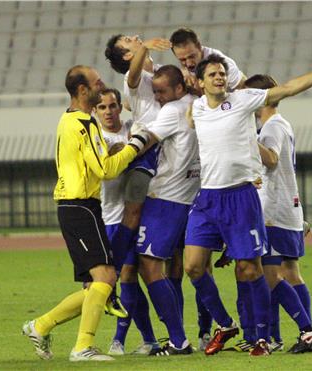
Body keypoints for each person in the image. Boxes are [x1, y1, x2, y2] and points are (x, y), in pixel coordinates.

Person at [184, 44, 312, 357]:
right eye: (213, 74)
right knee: (193, 266)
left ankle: (263, 338)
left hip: (241, 196)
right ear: (201, 82)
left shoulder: (243, 100)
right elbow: (193, 122)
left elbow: (289, 88)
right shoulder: (196, 108)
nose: (220, 77)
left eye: (223, 73)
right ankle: (225, 325)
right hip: (208, 197)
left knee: (254, 271)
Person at [21, 65, 150, 362]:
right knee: (105, 276)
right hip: (80, 206)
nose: (102, 84)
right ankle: (82, 347)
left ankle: (39, 326)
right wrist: (136, 145)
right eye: (96, 82)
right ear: (82, 91)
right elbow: (106, 170)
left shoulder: (69, 120)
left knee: (98, 284)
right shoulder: (83, 124)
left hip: (77, 207)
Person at [105, 34, 210, 348]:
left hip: (172, 174)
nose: (134, 38)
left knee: (174, 264)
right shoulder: (133, 78)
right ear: (126, 57)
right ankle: (175, 336)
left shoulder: (168, 82)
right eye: (128, 43)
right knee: (156, 261)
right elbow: (136, 75)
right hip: (153, 157)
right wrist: (145, 48)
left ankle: (192, 335)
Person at [246, 74, 312, 354]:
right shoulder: (281, 124)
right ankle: (307, 332)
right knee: (291, 272)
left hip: (274, 212)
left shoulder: (271, 128)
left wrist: (243, 137)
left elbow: (272, 158)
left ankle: (306, 329)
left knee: (269, 276)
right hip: (289, 208)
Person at [134, 65, 200, 356]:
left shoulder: (173, 110)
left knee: (147, 265)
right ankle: (185, 334)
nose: (158, 97)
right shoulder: (198, 106)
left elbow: (148, 139)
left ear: (178, 89)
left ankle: (178, 339)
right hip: (188, 198)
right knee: (174, 268)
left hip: (165, 198)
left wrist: (121, 155)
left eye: (162, 91)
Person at [93, 88, 160, 355]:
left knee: (129, 276)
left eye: (112, 106)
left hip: (133, 218)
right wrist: (125, 149)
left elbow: (154, 136)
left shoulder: (135, 126)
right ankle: (150, 339)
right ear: (94, 111)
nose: (108, 112)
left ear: (121, 107)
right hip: (106, 218)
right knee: (109, 281)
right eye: (102, 107)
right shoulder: (95, 138)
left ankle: (119, 340)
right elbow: (108, 166)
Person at [170, 27, 246, 93]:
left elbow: (244, 89)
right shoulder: (184, 71)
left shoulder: (223, 64)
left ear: (199, 46)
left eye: (191, 56)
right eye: (182, 60)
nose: (189, 63)